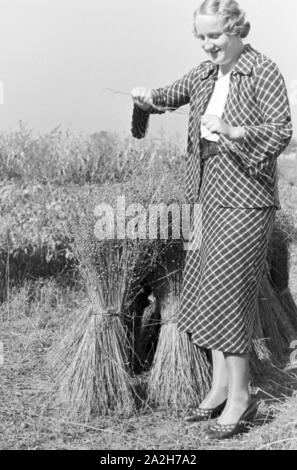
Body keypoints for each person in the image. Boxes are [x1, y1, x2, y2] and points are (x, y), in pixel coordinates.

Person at [131, 0, 293, 440]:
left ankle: (243, 397)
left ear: (237, 29)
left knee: (227, 292)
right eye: (201, 37)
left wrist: (235, 130)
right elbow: (168, 95)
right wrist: (146, 96)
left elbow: (282, 129)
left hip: (246, 198)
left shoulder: (263, 70)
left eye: (215, 36)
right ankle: (220, 385)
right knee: (203, 289)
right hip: (205, 195)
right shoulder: (203, 74)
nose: (208, 45)